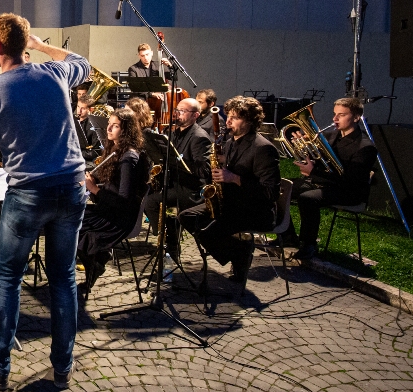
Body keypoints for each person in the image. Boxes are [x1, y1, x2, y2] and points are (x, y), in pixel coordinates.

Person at [0, 13, 92, 390]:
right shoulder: (54, 74)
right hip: (71, 187)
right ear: (23, 43)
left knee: (8, 277)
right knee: (63, 279)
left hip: (28, 195)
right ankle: (62, 367)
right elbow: (84, 63)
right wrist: (42, 46)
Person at [179, 96, 279, 282]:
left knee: (209, 231)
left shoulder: (263, 148)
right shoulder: (231, 141)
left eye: (235, 117)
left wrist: (235, 178)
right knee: (187, 216)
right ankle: (237, 250)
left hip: (255, 209)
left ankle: (240, 252)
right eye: (229, 116)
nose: (229, 121)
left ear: (250, 121)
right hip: (231, 202)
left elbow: (270, 192)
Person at [288, 97, 377, 260]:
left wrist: (313, 172)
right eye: (334, 114)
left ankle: (309, 245)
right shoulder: (331, 135)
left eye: (341, 115)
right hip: (324, 182)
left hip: (348, 191)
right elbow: (318, 160)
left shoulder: (365, 147)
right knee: (280, 186)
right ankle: (288, 237)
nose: (334, 119)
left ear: (356, 118)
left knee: (308, 198)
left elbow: (351, 180)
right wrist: (303, 147)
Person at [77, 108, 151, 306]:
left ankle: (97, 263)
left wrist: (94, 189)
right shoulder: (115, 152)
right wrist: (91, 178)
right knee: (69, 218)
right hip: (108, 210)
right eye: (109, 124)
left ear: (126, 130)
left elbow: (124, 201)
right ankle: (97, 261)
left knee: (77, 227)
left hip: (120, 218)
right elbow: (109, 183)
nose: (108, 128)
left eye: (115, 126)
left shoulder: (129, 158)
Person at [141, 97, 212, 264]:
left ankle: (168, 240)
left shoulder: (199, 137)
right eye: (177, 110)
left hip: (190, 189)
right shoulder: (173, 133)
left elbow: (203, 170)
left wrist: (177, 162)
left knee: (150, 201)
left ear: (195, 115)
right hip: (174, 182)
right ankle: (167, 236)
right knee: (145, 193)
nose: (177, 114)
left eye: (182, 111)